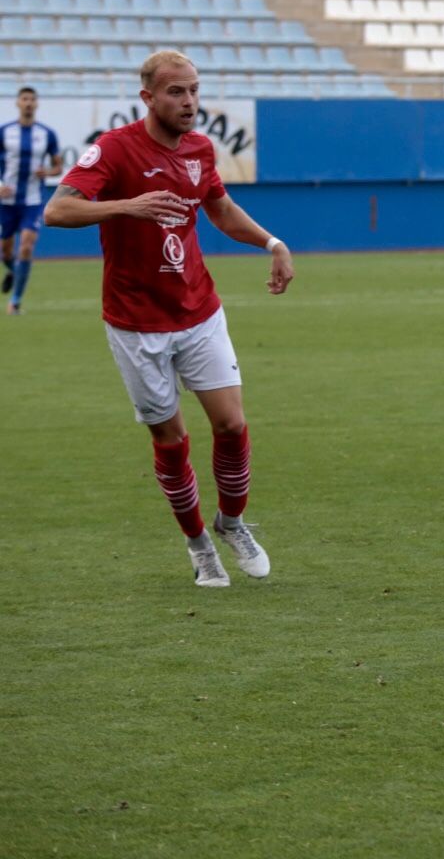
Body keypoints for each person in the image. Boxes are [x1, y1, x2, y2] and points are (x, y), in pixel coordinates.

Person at [45, 50, 294, 589]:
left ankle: (231, 523)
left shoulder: (201, 150)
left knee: (230, 423)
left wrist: (272, 242)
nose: (189, 102)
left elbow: (220, 209)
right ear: (148, 98)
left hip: (198, 309)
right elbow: (57, 211)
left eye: (195, 91)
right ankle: (199, 545)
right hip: (136, 323)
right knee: (171, 440)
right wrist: (125, 206)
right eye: (177, 92)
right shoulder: (112, 150)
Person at [2, 86, 62, 314]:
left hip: (32, 200)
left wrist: (47, 172)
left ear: (36, 104)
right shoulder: (4, 132)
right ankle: (14, 271)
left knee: (26, 246)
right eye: (24, 99)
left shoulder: (47, 134)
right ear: (17, 103)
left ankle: (15, 301)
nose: (28, 103)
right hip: (6, 202)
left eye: (32, 99)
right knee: (5, 252)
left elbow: (58, 166)